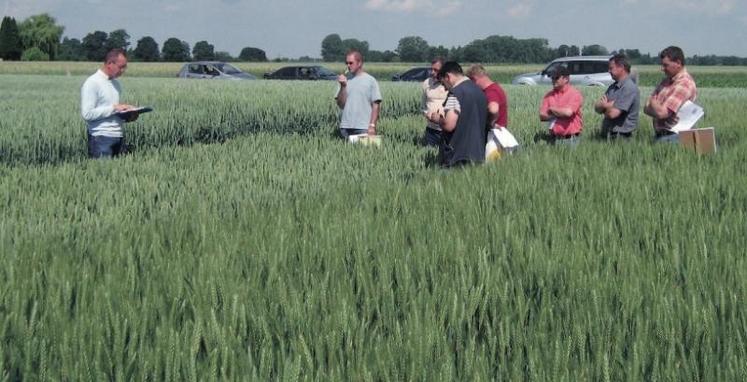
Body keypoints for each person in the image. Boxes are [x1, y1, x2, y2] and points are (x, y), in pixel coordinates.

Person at [80, 48, 139, 158]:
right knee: (102, 174)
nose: (123, 70)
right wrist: (115, 108)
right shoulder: (92, 83)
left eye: (125, 67)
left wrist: (128, 116)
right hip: (101, 138)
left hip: (118, 136)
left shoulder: (116, 84)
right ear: (109, 64)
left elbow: (112, 113)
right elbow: (87, 114)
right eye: (121, 67)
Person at [427, 61, 487, 167]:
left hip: (458, 154)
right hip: (479, 152)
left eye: (443, 83)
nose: (445, 88)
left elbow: (449, 125)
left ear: (447, 76)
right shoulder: (479, 91)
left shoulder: (455, 94)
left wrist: (437, 119)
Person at [644, 46, 697, 143]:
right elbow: (645, 108)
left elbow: (661, 113)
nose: (662, 69)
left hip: (675, 137)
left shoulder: (684, 84)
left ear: (678, 63)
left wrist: (652, 101)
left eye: (665, 65)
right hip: (662, 136)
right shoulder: (665, 82)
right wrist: (654, 107)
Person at [335, 50, 382, 139]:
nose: (348, 65)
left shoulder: (370, 80)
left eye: (351, 63)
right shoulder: (344, 80)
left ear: (359, 63)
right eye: (347, 63)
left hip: (363, 127)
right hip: (345, 127)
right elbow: (341, 104)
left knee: (363, 152)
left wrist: (372, 125)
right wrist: (343, 86)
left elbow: (376, 105)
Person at [594, 54, 640, 141]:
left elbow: (612, 114)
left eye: (611, 68)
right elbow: (597, 108)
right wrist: (608, 105)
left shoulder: (629, 88)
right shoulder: (613, 87)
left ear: (621, 67)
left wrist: (605, 106)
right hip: (609, 135)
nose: (609, 71)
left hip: (622, 137)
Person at [539, 66, 583, 146]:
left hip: (571, 140)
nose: (553, 80)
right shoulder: (549, 95)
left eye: (556, 78)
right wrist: (559, 113)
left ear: (566, 79)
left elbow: (568, 113)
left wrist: (551, 109)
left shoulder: (575, 94)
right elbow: (542, 116)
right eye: (552, 78)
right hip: (553, 139)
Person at [466, 64, 508, 130]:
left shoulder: (491, 91)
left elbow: (493, 109)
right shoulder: (495, 87)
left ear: (474, 79)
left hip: (495, 133)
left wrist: (490, 123)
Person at [420, 57, 448, 146]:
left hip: (447, 129)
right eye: (431, 69)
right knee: (429, 155)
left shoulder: (451, 84)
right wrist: (427, 113)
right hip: (431, 130)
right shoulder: (427, 83)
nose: (432, 72)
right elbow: (423, 105)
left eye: (436, 70)